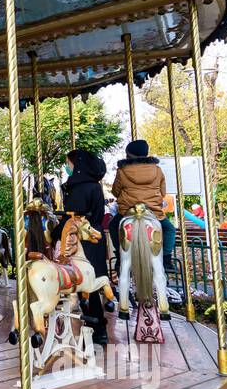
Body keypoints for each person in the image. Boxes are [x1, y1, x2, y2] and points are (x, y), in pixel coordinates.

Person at [61, 148, 109, 346]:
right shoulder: (94, 185)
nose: (67, 167)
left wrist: (57, 232)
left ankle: (95, 328)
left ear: (77, 165)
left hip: (82, 239)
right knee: (93, 282)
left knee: (85, 284)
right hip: (95, 236)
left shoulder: (79, 188)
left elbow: (73, 217)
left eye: (69, 164)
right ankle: (96, 327)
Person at [110, 139, 175, 273]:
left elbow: (116, 192)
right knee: (169, 229)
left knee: (112, 225)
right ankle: (167, 259)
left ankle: (121, 257)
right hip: (152, 211)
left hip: (128, 211)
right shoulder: (157, 170)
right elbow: (163, 192)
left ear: (129, 154)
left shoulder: (122, 170)